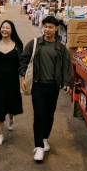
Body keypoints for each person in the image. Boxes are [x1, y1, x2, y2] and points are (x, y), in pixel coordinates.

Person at [19, 16, 73, 162]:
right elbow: (24, 60)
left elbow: (66, 66)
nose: (47, 29)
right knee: (39, 115)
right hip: (38, 86)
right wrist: (23, 77)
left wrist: (67, 82)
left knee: (49, 115)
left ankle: (44, 138)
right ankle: (38, 147)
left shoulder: (60, 48)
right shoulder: (35, 44)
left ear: (56, 28)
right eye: (45, 26)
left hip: (53, 87)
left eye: (50, 27)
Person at [0, 20, 24, 146]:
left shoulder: (18, 45)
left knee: (10, 103)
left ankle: (11, 119)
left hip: (12, 79)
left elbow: (21, 64)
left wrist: (22, 79)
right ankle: (0, 134)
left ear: (12, 30)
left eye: (7, 28)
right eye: (2, 27)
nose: (4, 29)